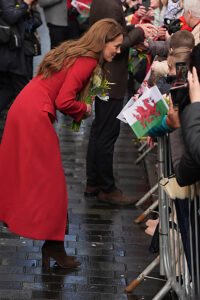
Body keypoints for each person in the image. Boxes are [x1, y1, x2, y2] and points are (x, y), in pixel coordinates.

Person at [0, 18, 124, 269]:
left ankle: (54, 246)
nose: (119, 51)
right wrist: (85, 109)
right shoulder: (87, 60)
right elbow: (65, 101)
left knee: (44, 182)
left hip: (26, 109)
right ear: (103, 42)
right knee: (52, 184)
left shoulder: (75, 50)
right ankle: (52, 244)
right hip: (33, 115)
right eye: (116, 45)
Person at [85, 0, 157, 205]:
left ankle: (94, 181)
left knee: (101, 130)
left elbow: (116, 30)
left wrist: (135, 27)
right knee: (107, 133)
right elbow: (116, 42)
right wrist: (139, 32)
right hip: (111, 75)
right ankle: (106, 188)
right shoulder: (109, 3)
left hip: (108, 75)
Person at [0, 0, 38, 113]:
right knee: (24, 91)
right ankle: (30, 122)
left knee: (9, 90)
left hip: (16, 53)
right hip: (10, 54)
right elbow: (10, 16)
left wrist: (29, 9)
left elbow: (35, 20)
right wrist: (25, 4)